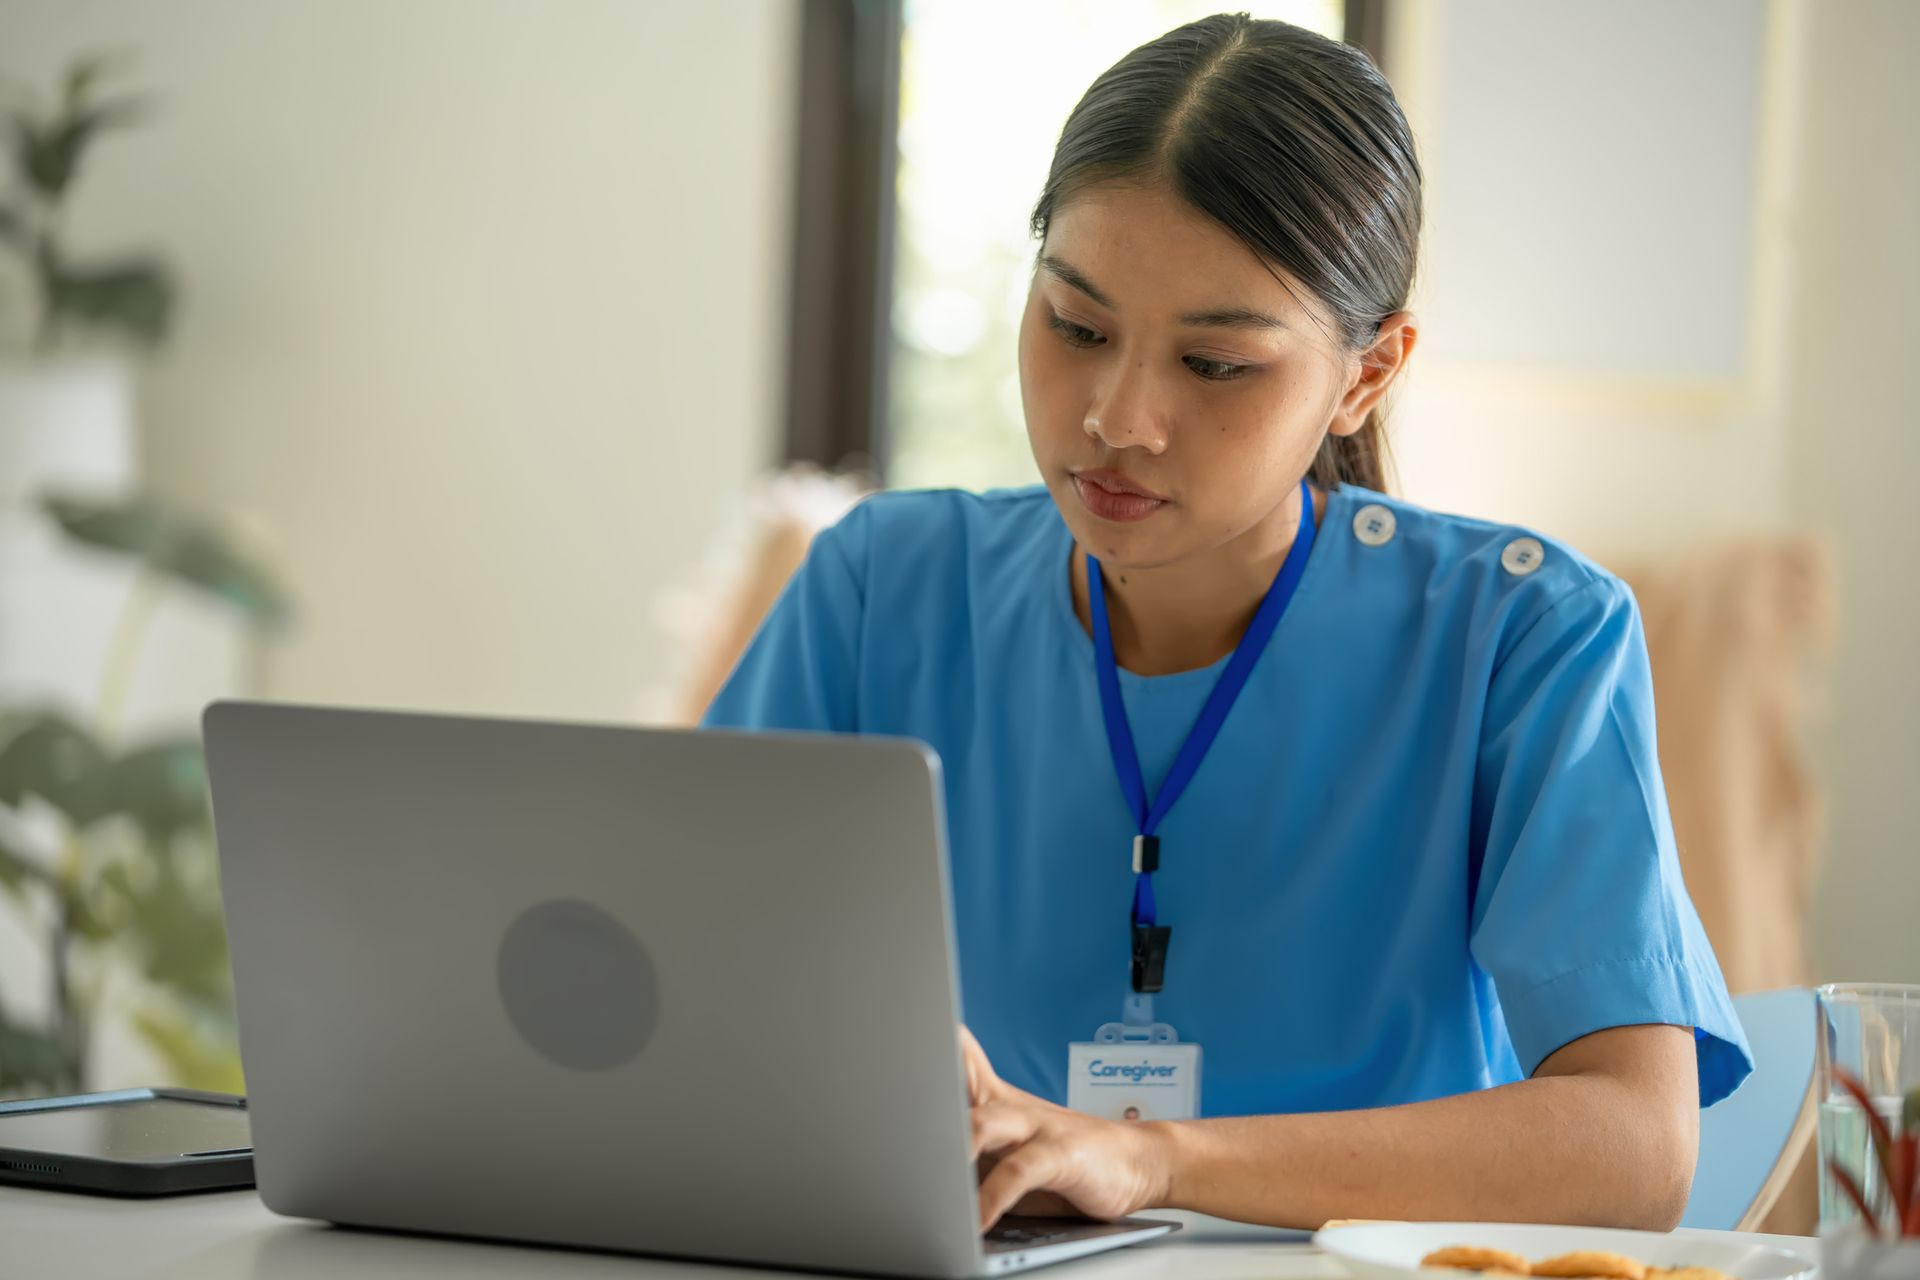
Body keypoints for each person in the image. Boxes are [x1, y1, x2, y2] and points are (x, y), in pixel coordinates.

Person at [704, 12, 1749, 1234]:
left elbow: (1635, 1148)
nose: (1117, 418)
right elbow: (677, 977)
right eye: (1078, 327)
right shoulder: (884, 582)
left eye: (1215, 365)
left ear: (1366, 373)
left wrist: (1149, 1157)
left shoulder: (1525, 635)